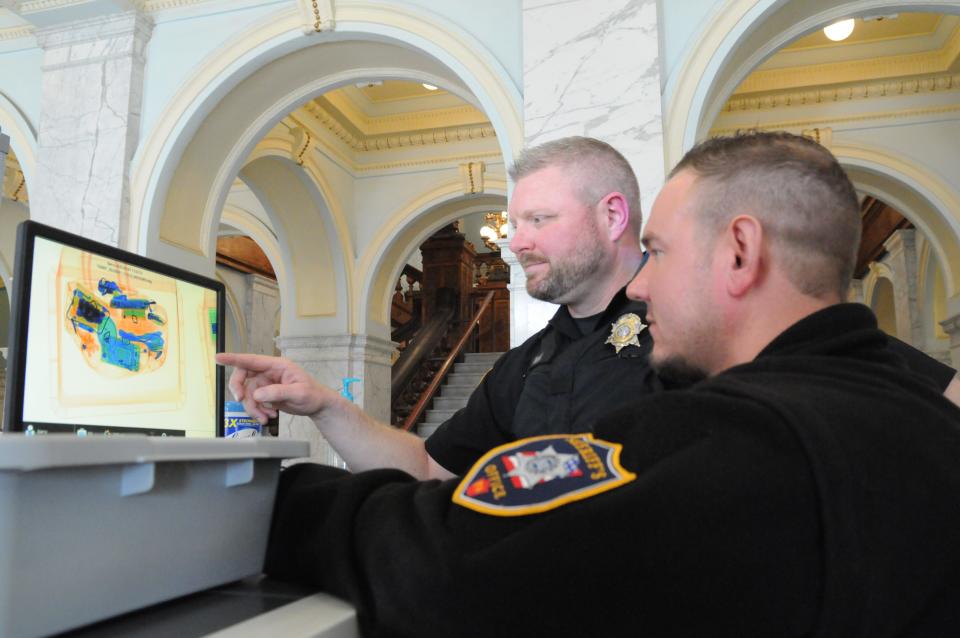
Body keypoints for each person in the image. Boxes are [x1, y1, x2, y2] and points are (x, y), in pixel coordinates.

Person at [261, 132, 960, 637]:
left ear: (740, 252)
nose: (644, 283)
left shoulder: (737, 428)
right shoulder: (896, 413)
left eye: (656, 253)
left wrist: (261, 504)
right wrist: (326, 407)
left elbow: (464, 564)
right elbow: (432, 470)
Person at [217, 136, 654, 478]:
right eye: (516, 224)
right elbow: (427, 467)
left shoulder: (687, 335)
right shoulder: (526, 363)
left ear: (612, 216)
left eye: (538, 220)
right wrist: (323, 404)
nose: (516, 242)